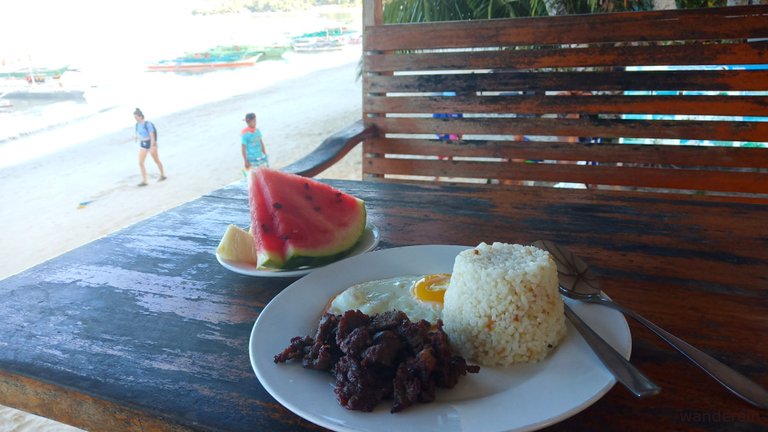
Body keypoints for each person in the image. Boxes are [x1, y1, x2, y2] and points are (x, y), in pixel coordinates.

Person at [133, 108, 166, 187]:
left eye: (136, 117)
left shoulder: (148, 124)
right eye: (134, 117)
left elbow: (152, 136)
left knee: (156, 160)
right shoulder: (137, 125)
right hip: (143, 144)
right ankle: (144, 181)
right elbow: (140, 134)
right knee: (140, 163)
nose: (135, 119)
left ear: (140, 116)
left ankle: (162, 175)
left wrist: (152, 146)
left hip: (151, 144)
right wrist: (137, 137)